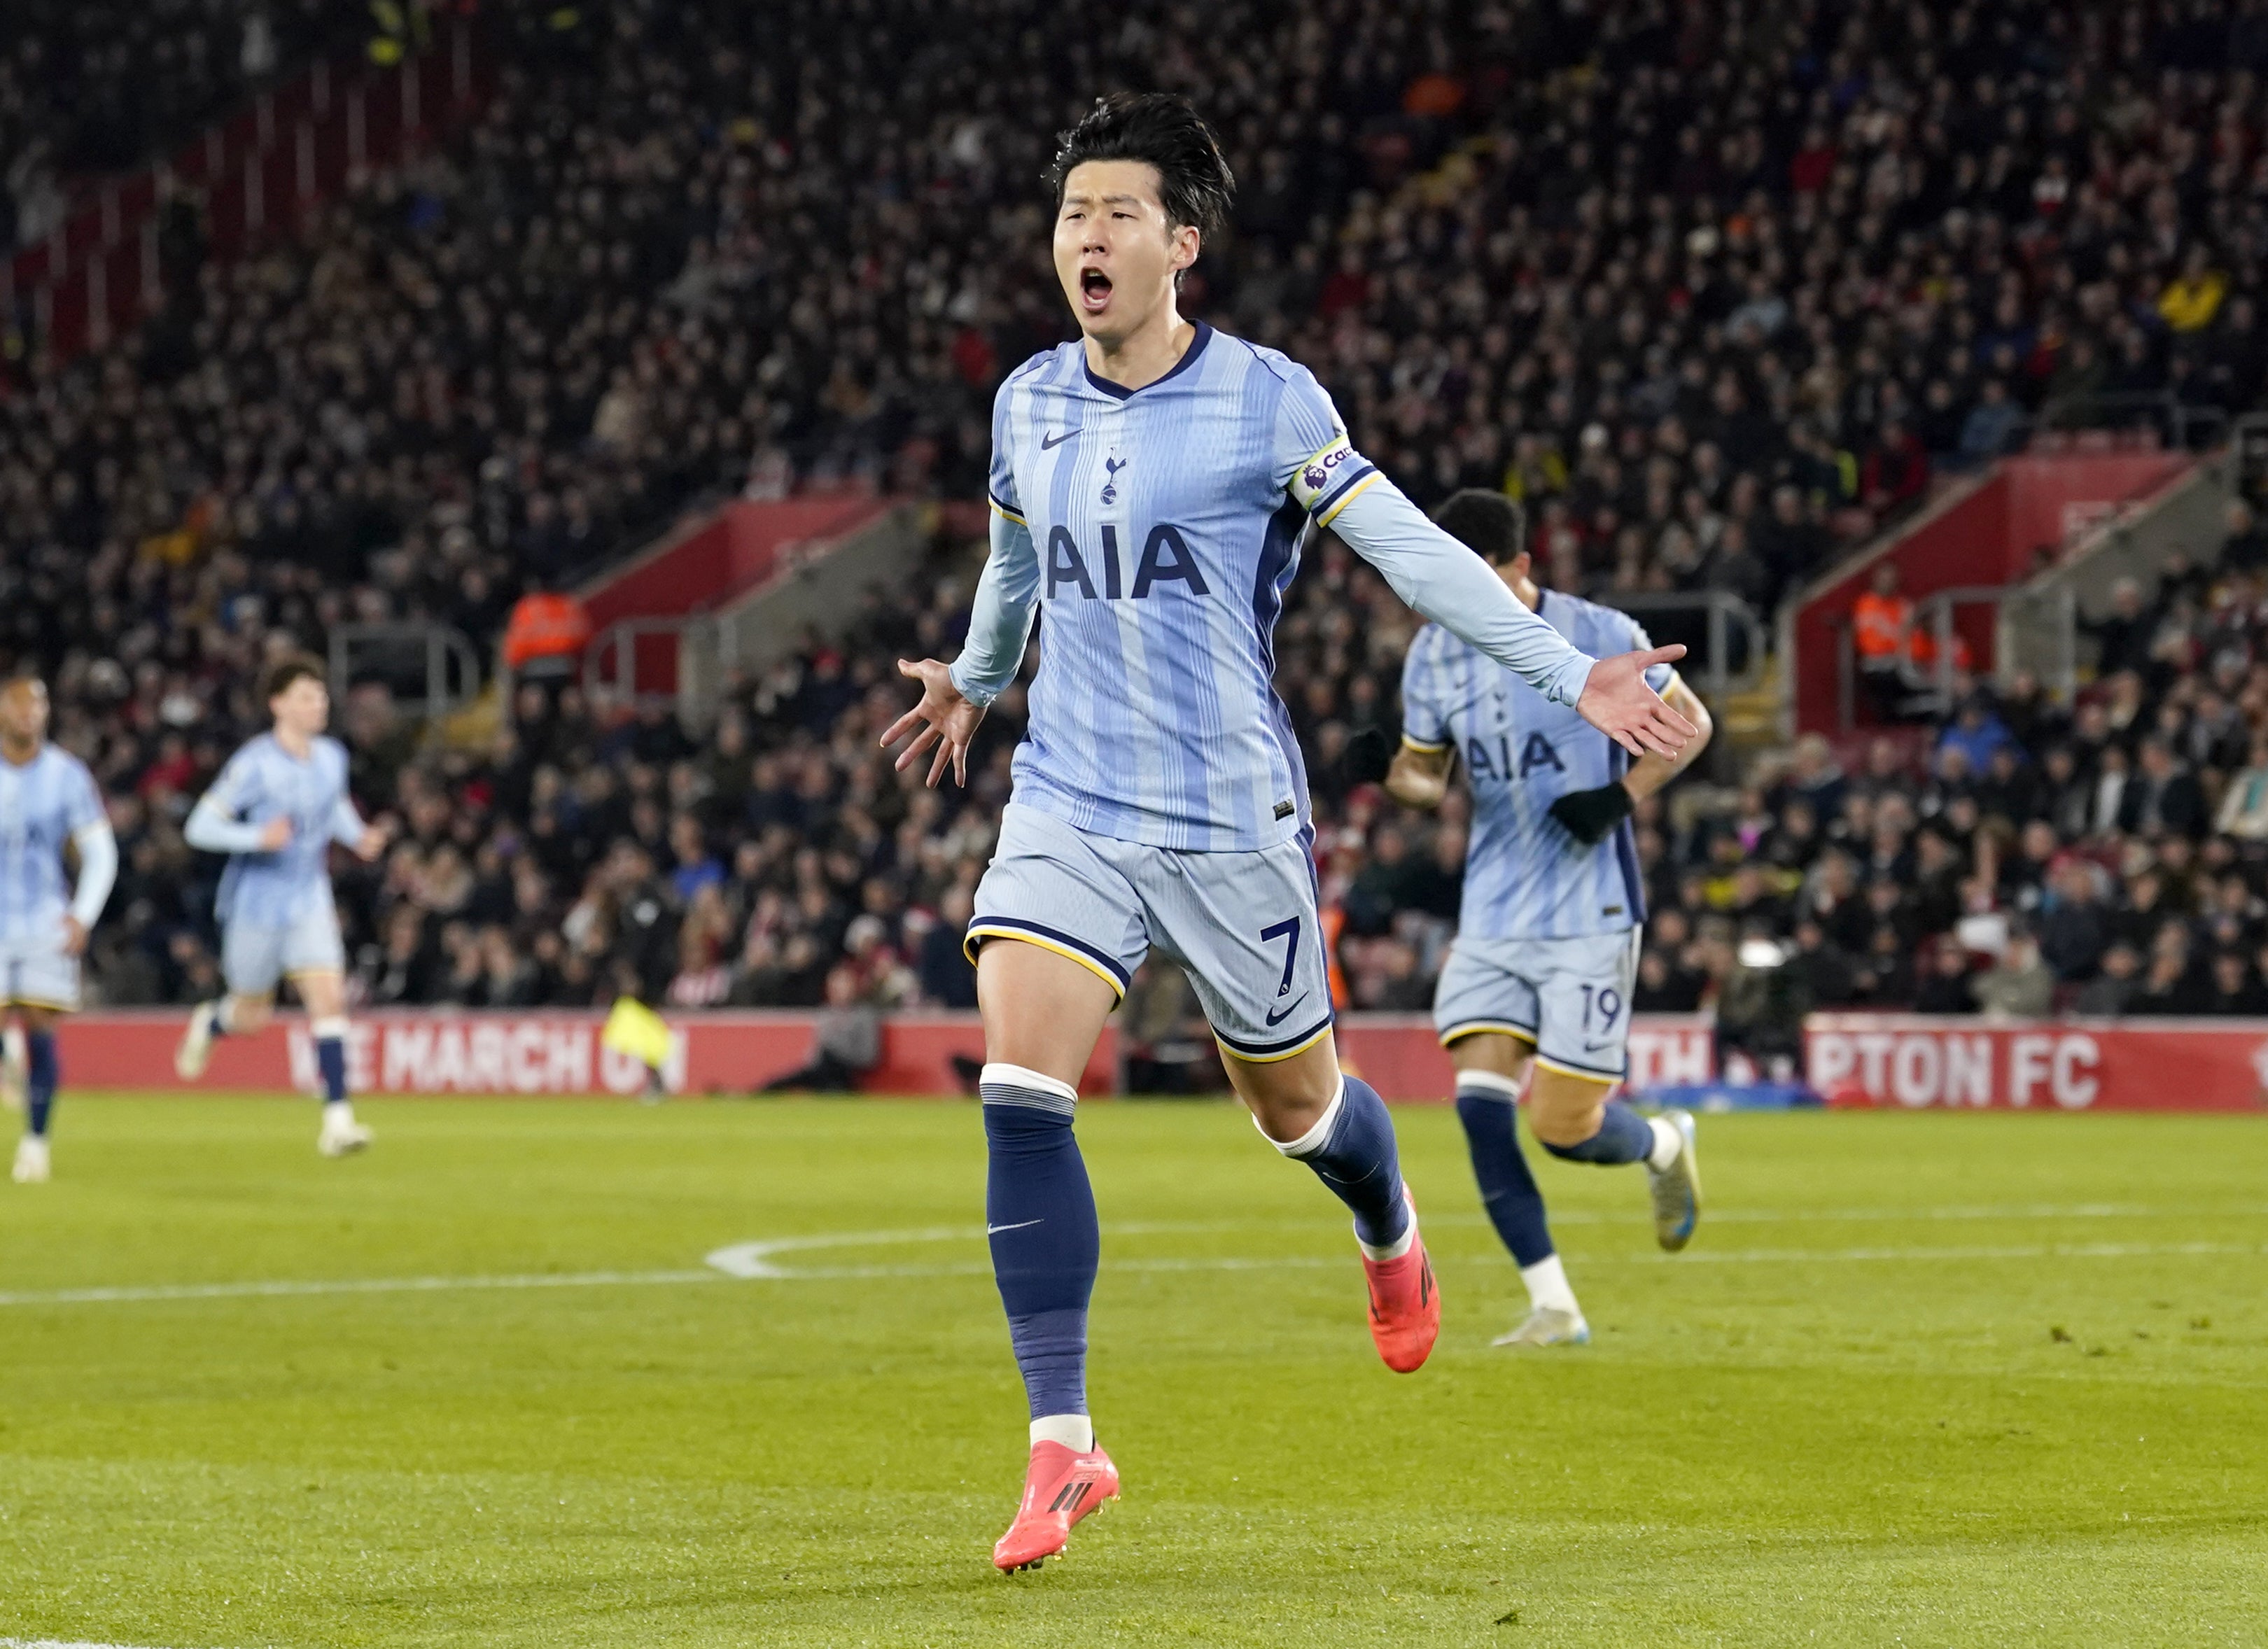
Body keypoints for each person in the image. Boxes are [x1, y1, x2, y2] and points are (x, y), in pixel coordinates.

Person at [878, 94, 1695, 1576]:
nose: (1089, 239)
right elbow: (1016, 563)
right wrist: (979, 679)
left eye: (1120, 214)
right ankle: (1064, 1439)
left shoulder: (1270, 398)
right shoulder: (1026, 401)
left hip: (1226, 813)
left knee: (1299, 1112)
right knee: (1019, 1085)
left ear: (1181, 243)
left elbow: (1403, 552)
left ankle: (1387, 1220)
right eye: (1072, 216)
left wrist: (1567, 666)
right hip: (1068, 795)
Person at [1383, 490, 1712, 1349]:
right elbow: (1426, 776)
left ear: (1522, 568)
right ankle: (1555, 1305)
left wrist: (1618, 797)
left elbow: (1695, 721)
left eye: (1481, 579)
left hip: (1589, 910)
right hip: (1492, 912)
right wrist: (1386, 771)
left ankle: (1662, 1146)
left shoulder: (1599, 632)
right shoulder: (1434, 656)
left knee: (1564, 1129)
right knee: (1481, 1110)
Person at [173, 657, 391, 1156]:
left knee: (328, 999)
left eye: (321, 696)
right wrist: (255, 836)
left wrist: (357, 837)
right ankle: (212, 1023)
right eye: (308, 697)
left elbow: (332, 804)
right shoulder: (254, 763)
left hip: (309, 895)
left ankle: (338, 1122)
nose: (320, 706)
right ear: (279, 705)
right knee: (251, 1017)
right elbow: (200, 826)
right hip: (256, 903)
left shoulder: (332, 756)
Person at [0, 679, 118, 1184]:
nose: (28, 713)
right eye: (18, 703)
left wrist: (83, 915)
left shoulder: (68, 775)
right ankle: (8, 1061)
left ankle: (36, 1143)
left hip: (45, 918)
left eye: (37, 703)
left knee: (42, 1025)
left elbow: (100, 851)